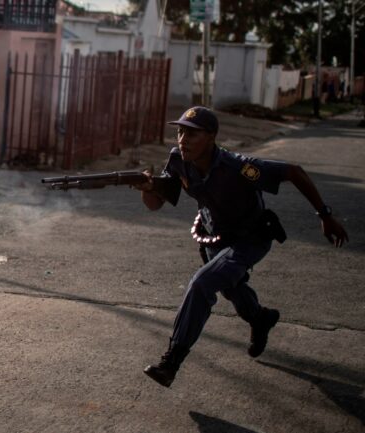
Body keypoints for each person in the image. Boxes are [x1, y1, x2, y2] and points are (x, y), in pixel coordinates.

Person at [133, 106, 349, 388]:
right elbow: (155, 205)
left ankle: (170, 362)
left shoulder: (239, 167)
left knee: (202, 283)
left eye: (192, 134)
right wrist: (147, 188)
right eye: (180, 131)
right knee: (231, 287)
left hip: (250, 237)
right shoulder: (178, 160)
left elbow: (294, 172)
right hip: (215, 236)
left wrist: (325, 215)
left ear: (211, 137)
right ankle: (260, 319)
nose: (182, 140)